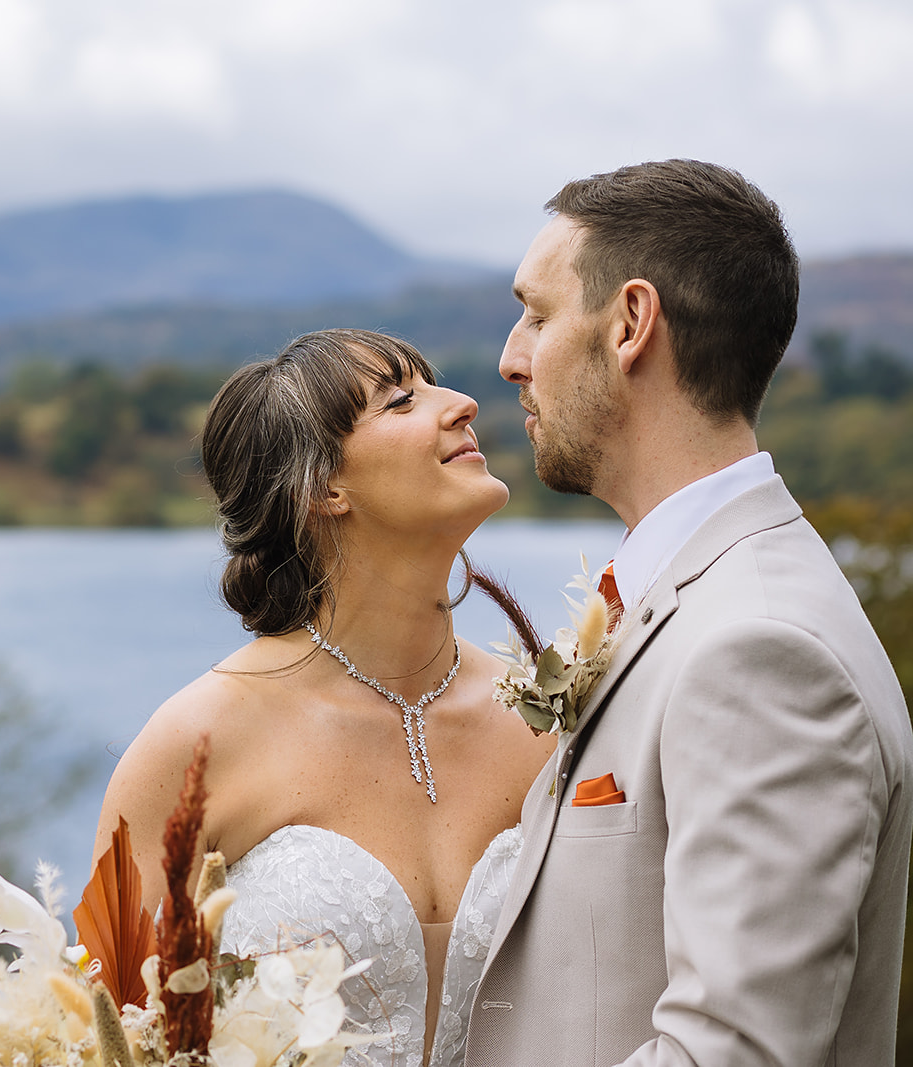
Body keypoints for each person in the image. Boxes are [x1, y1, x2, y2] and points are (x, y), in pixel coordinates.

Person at [465, 159, 913, 1066]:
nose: (511, 357)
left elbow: (730, 1051)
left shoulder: (762, 647)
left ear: (631, 323)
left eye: (538, 314)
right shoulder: (692, 599)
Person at [94, 328, 555, 1067]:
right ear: (324, 489)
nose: (466, 403)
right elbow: (104, 1034)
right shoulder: (198, 741)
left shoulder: (542, 718)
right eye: (402, 400)